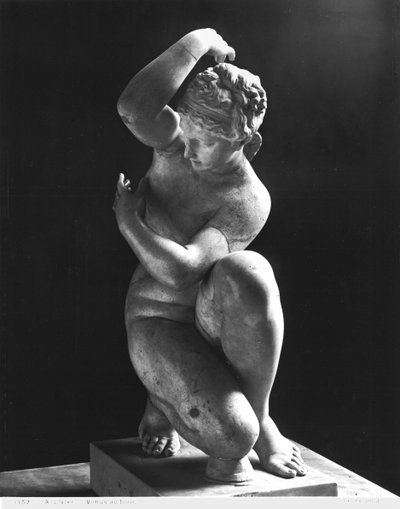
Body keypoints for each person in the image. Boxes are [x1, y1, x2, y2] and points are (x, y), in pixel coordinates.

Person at [113, 28, 305, 481]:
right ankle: (163, 399)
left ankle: (261, 416)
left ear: (247, 145)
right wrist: (198, 41)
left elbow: (182, 271)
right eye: (188, 132)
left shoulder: (247, 199)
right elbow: (133, 108)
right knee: (232, 440)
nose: (188, 149)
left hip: (213, 320)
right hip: (157, 316)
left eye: (207, 143)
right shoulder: (174, 144)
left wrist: (128, 221)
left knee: (251, 271)